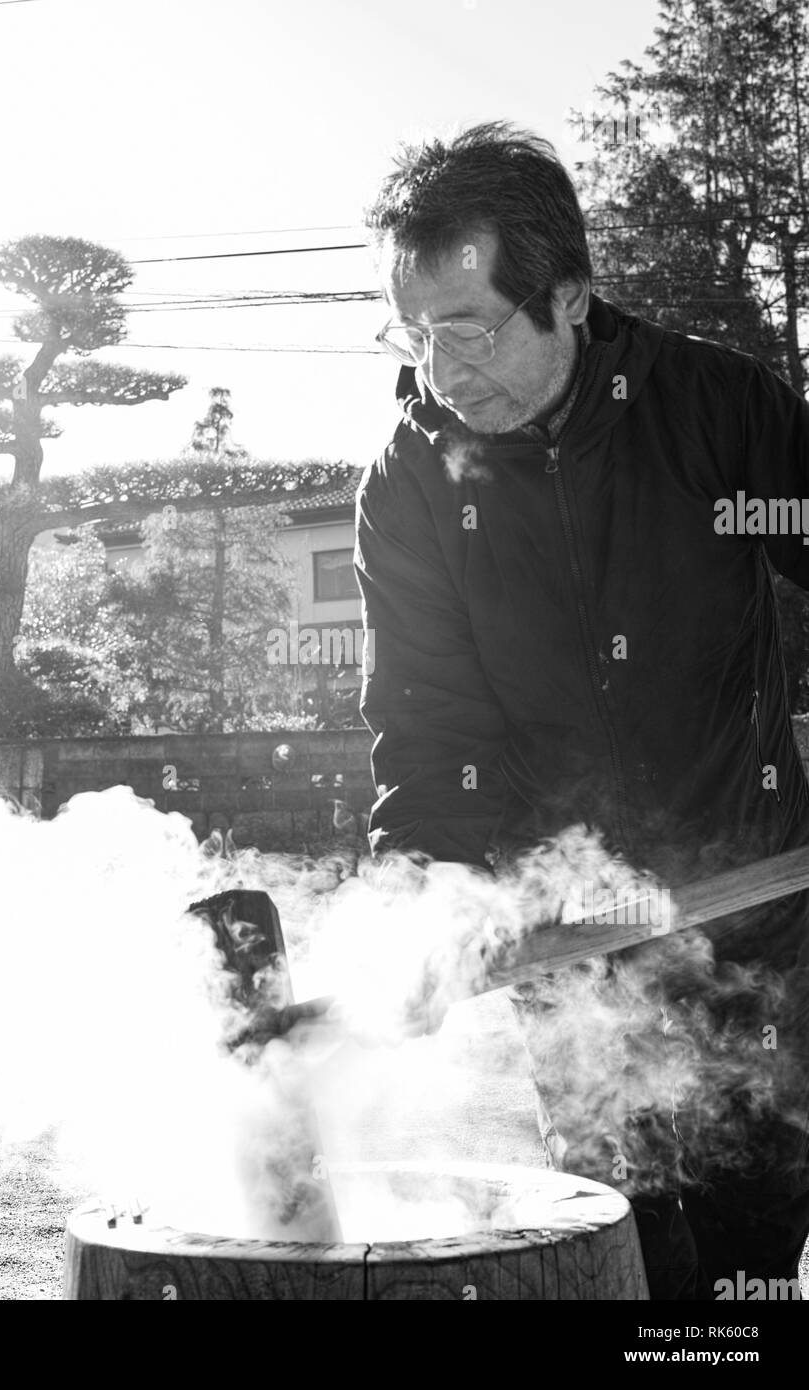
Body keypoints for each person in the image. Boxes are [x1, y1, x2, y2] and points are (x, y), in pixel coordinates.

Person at [355, 121, 809, 1300]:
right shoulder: (409, 486)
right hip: (573, 941)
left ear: (570, 297)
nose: (443, 372)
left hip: (760, 914)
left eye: (471, 332)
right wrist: (417, 908)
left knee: (750, 1268)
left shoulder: (719, 409)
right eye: (417, 337)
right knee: (621, 1256)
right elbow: (429, 727)